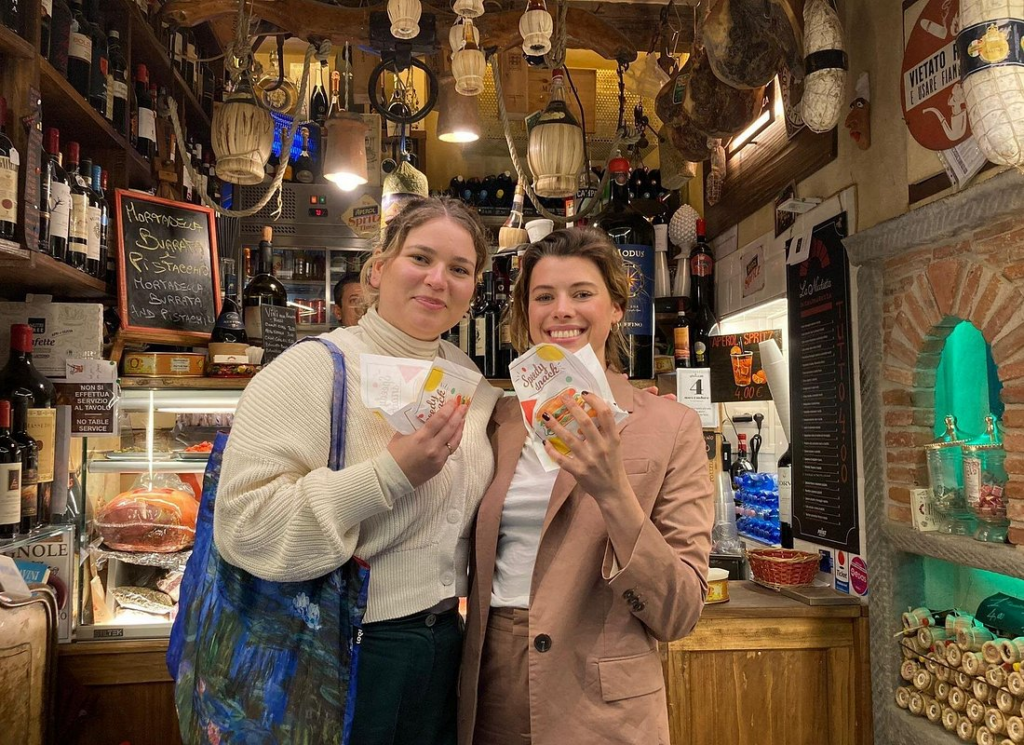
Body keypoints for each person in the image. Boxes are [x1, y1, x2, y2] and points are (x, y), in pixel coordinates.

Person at [212, 196, 502, 745]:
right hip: (345, 644)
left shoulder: (466, 378)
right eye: (420, 258)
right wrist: (388, 474)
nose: (438, 280)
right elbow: (244, 523)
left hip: (446, 642)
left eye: (459, 269)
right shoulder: (312, 367)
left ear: (474, 287)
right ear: (378, 267)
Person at [458, 227, 714, 745]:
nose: (561, 310)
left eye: (582, 293)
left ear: (617, 307)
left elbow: (680, 610)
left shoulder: (669, 426)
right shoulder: (499, 420)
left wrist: (614, 490)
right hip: (489, 683)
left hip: (601, 704)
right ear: (526, 313)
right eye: (544, 296)